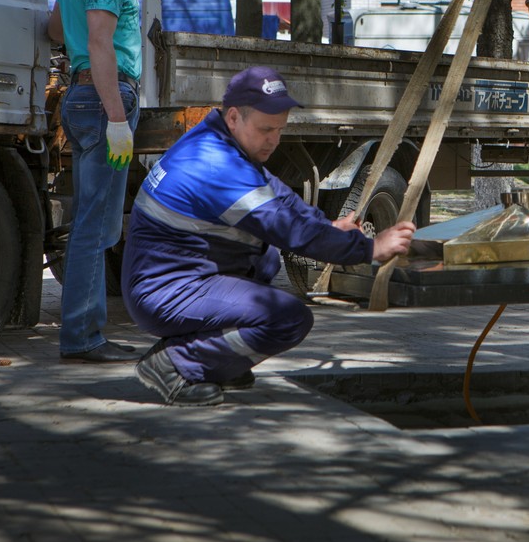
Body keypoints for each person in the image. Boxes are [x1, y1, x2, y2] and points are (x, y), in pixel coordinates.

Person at [122, 66, 416, 406]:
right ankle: (174, 363)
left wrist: (329, 227)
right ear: (234, 117)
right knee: (288, 318)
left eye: (279, 130)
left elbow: (282, 199)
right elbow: (289, 229)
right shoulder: (217, 165)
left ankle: (219, 361)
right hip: (164, 291)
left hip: (174, 277)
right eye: (265, 130)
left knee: (265, 259)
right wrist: (369, 248)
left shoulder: (218, 139)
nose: (274, 140)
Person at [46, 0, 144, 363]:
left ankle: (84, 334)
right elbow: (102, 44)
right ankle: (83, 338)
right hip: (106, 97)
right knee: (95, 226)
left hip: (78, 97)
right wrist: (118, 119)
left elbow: (56, 27)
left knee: (91, 221)